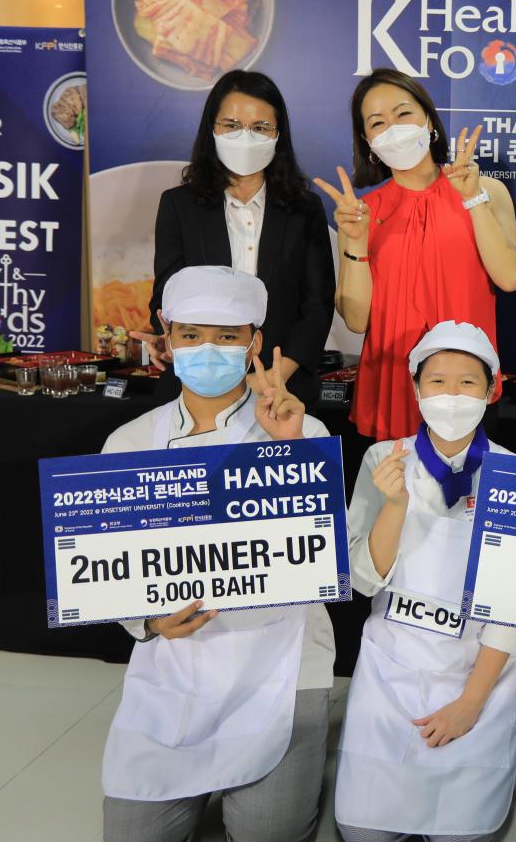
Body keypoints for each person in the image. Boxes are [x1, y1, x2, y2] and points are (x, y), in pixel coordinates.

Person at [101, 266, 334, 842]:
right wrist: (148, 621)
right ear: (167, 335)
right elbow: (107, 566)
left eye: (227, 336)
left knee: (268, 834)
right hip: (174, 666)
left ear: (255, 342)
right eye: (191, 335)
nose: (208, 350)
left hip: (281, 662)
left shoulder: (299, 429)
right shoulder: (130, 442)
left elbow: (320, 552)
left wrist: (289, 449)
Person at [335, 321, 516, 842]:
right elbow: (363, 581)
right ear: (416, 387)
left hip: (480, 671)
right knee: (364, 832)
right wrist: (395, 505)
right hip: (391, 668)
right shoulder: (383, 459)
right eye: (437, 381)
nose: (451, 395)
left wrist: (470, 704)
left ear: (492, 389)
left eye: (467, 382)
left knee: (462, 833)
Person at [319, 68, 516, 441]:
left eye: (403, 114)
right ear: (367, 140)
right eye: (378, 123)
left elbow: (511, 278)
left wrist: (473, 200)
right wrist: (356, 241)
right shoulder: (361, 213)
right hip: (391, 387)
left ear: (428, 119)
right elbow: (356, 321)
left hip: (466, 386)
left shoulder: (486, 190)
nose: (394, 129)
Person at [141, 70, 335, 401]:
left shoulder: (304, 208)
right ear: (212, 129)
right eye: (231, 125)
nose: (245, 136)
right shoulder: (178, 205)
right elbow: (166, 298)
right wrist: (166, 339)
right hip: (197, 384)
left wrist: (275, 376)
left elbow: (318, 305)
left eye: (261, 127)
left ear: (278, 135)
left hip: (282, 386)